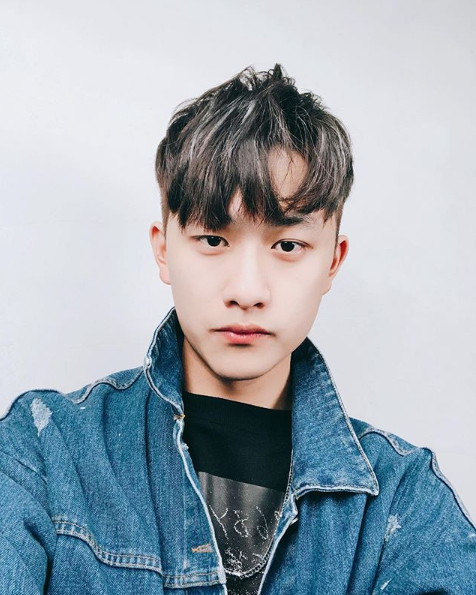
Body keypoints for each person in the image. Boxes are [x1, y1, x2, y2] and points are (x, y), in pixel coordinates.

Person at [1, 64, 474, 595]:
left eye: (287, 246)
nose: (247, 291)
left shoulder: (402, 501)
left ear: (333, 262)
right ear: (164, 250)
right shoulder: (45, 451)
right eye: (213, 240)